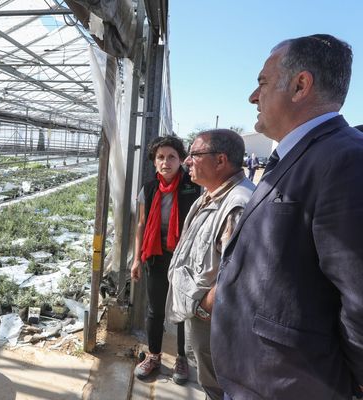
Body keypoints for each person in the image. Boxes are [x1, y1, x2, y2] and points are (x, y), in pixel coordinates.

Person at [211, 34, 363, 400]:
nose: (253, 96)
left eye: (262, 83)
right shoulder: (301, 156)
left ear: (300, 85)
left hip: (292, 385)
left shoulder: (346, 161)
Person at [165, 129, 255, 400]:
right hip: (206, 317)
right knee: (209, 380)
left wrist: (203, 308)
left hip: (215, 321)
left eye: (195, 154)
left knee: (218, 385)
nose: (187, 161)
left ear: (221, 161)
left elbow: (236, 276)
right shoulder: (212, 194)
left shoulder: (237, 204)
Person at [130, 135, 200, 382]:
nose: (166, 162)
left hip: (185, 260)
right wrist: (137, 259)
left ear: (181, 160)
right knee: (155, 309)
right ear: (154, 162)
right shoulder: (148, 189)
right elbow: (140, 224)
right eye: (160, 157)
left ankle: (182, 359)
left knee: (182, 310)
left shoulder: (193, 186)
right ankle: (154, 356)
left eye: (171, 157)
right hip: (156, 256)